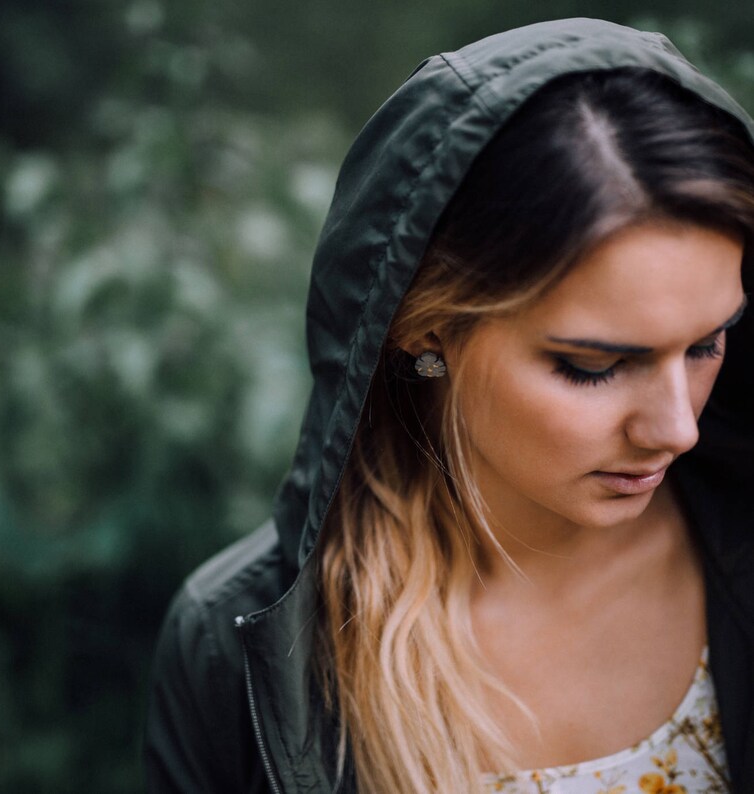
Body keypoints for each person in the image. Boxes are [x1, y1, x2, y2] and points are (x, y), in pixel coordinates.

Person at [144, 18, 754, 794]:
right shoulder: (236, 648)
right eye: (594, 366)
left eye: (709, 342)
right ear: (425, 323)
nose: (677, 427)